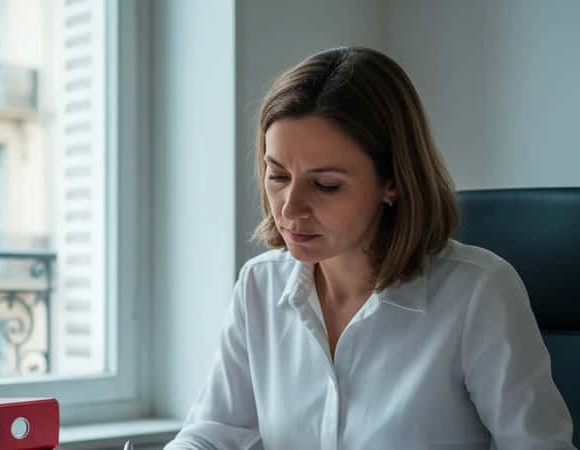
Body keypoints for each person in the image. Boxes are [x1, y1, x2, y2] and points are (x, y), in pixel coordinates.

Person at [164, 47, 575, 450]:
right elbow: (214, 429)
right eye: (278, 176)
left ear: (392, 181)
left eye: (325, 185)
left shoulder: (477, 293)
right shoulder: (260, 285)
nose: (290, 208)